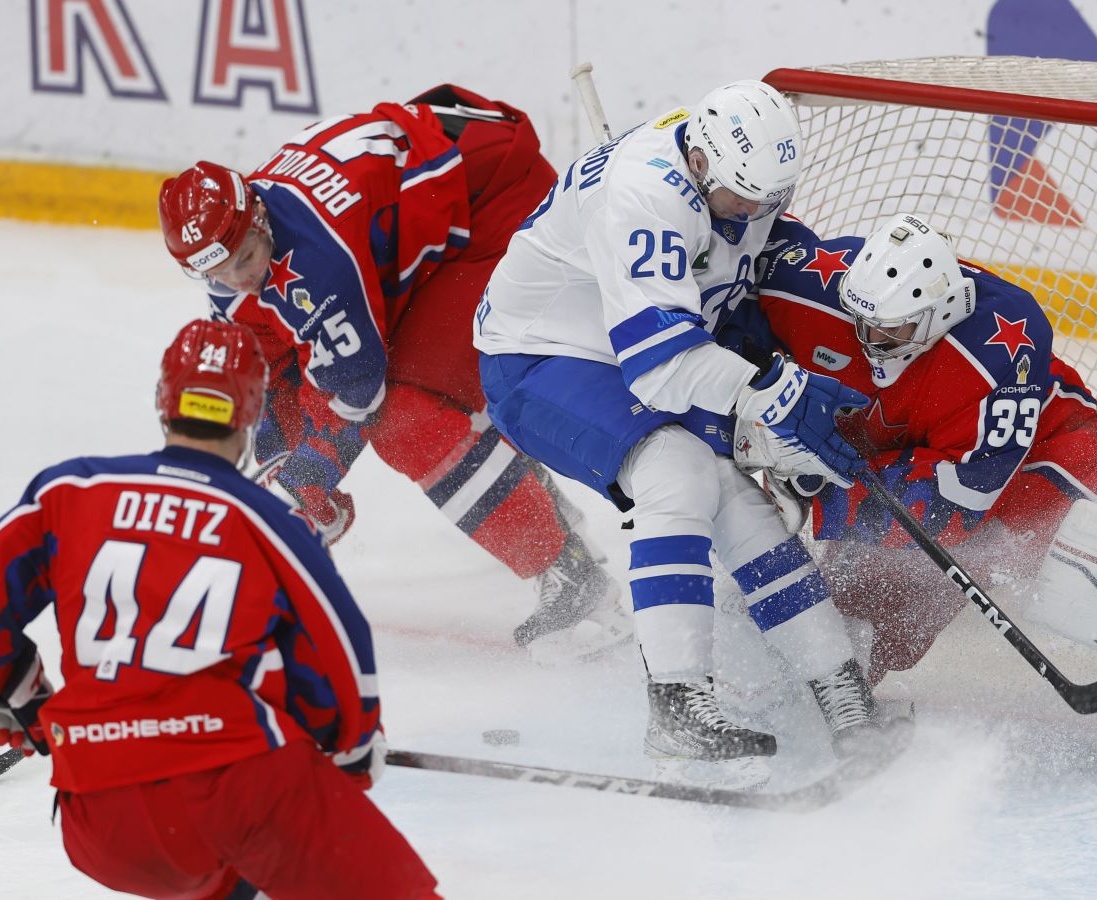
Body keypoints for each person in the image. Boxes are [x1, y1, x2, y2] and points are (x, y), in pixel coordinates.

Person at [474, 79, 912, 770]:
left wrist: (764, 362)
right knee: (675, 468)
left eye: (772, 199)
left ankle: (844, 698)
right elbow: (661, 366)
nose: (757, 212)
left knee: (736, 498)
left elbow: (720, 290)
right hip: (539, 353)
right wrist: (777, 393)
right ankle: (676, 706)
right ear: (702, 164)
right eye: (746, 198)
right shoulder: (644, 196)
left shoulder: (740, 174)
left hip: (621, 342)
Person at [156, 84, 630, 658]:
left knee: (406, 414)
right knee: (383, 398)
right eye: (213, 274)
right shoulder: (243, 248)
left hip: (501, 206)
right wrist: (283, 459)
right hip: (440, 202)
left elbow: (357, 389)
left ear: (259, 220)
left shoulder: (317, 253)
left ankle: (569, 572)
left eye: (245, 262)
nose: (235, 283)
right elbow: (274, 363)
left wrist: (312, 472)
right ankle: (543, 511)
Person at [0, 319, 439, 899]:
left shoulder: (71, 491)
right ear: (252, 413)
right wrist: (353, 747)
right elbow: (335, 657)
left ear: (163, 400)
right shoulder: (267, 522)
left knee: (223, 866)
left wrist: (28, 702)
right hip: (229, 796)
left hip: (95, 818)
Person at [752, 212, 1097, 683]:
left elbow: (956, 504)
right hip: (907, 457)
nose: (869, 341)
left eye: (891, 332)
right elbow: (739, 260)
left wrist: (821, 502)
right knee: (856, 622)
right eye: (861, 322)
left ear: (938, 316)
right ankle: (835, 680)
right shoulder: (805, 288)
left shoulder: (994, 353)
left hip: (1048, 451)